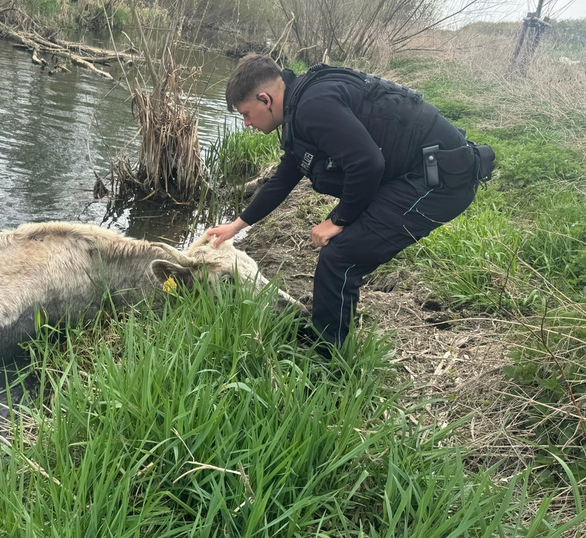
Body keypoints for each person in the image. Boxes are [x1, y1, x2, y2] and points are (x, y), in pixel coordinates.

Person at [207, 53, 493, 354]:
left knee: (342, 256)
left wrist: (338, 220)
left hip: (441, 181)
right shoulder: (301, 104)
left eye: (246, 113)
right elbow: (285, 176)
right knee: (343, 248)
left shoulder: (312, 106)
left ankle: (328, 360)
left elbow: (367, 164)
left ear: (265, 99)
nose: (247, 123)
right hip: (415, 173)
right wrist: (237, 226)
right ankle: (326, 336)